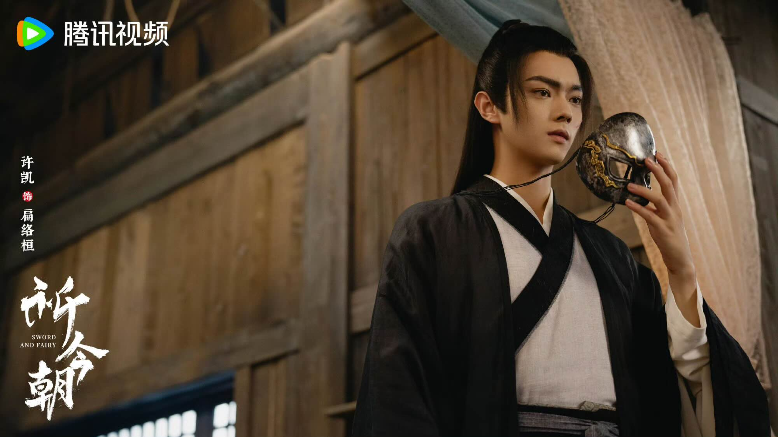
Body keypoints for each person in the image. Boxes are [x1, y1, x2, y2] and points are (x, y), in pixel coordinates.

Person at [351, 20, 769, 437]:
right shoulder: (434, 233)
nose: (566, 111)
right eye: (542, 92)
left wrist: (681, 269)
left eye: (575, 98)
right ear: (489, 106)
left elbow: (672, 386)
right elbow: (396, 394)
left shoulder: (611, 255)